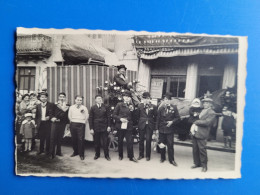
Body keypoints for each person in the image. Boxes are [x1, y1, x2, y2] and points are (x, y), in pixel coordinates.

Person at [191, 98, 216, 172]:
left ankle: (204, 166)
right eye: (204, 103)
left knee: (202, 150)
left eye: (207, 103)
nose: (205, 104)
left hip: (202, 133)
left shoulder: (212, 112)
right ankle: (197, 163)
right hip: (195, 132)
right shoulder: (202, 110)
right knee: (195, 149)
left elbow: (207, 122)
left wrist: (196, 122)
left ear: (210, 104)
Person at [156, 92, 180, 166]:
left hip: (170, 129)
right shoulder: (161, 108)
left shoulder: (174, 108)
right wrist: (157, 129)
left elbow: (178, 118)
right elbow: (158, 119)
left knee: (170, 145)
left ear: (170, 100)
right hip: (162, 129)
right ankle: (162, 158)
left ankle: (171, 160)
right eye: (165, 99)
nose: (166, 101)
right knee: (162, 144)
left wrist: (172, 122)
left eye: (167, 99)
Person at [113, 90, 138, 162]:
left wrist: (133, 111)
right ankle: (120, 155)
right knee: (120, 140)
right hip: (120, 125)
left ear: (130, 98)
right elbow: (114, 115)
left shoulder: (132, 105)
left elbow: (134, 118)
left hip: (128, 126)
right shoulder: (119, 105)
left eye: (128, 97)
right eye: (125, 96)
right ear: (123, 97)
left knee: (129, 141)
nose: (126, 98)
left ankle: (131, 156)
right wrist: (120, 119)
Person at [89, 95, 111, 161]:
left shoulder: (106, 107)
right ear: (95, 100)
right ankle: (97, 154)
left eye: (101, 98)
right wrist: (91, 128)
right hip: (96, 127)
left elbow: (108, 117)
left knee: (105, 142)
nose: (100, 99)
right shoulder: (93, 107)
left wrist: (109, 126)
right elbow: (90, 118)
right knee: (96, 142)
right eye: (98, 98)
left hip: (104, 127)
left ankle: (107, 155)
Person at [136, 92, 157, 161]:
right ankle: (141, 155)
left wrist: (155, 126)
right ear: (143, 99)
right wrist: (138, 124)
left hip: (150, 125)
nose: (146, 100)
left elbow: (156, 117)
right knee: (141, 140)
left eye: (148, 99)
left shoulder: (153, 106)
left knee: (148, 140)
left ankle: (148, 156)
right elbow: (137, 116)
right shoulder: (140, 106)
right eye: (145, 99)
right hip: (141, 125)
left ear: (149, 99)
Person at [49, 92, 70, 159]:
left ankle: (58, 151)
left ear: (65, 98)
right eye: (60, 97)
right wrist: (52, 118)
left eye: (63, 97)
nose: (62, 98)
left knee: (60, 138)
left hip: (62, 123)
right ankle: (52, 153)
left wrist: (67, 123)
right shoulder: (54, 104)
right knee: (53, 137)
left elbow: (67, 115)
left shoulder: (67, 105)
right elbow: (50, 112)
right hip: (55, 122)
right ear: (58, 97)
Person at [68, 95, 89, 160]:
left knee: (81, 139)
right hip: (73, 124)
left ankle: (81, 154)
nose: (79, 101)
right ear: (75, 100)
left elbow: (87, 116)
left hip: (81, 124)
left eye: (80, 100)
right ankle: (75, 152)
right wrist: (72, 121)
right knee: (74, 139)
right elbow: (69, 115)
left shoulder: (84, 108)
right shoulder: (71, 107)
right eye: (78, 100)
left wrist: (83, 122)